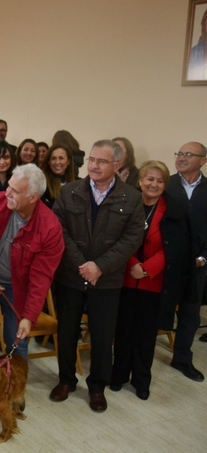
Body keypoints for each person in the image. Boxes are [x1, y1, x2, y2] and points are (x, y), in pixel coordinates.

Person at [51, 139, 144, 412]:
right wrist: (83, 264)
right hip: (71, 275)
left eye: (102, 161)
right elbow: (59, 231)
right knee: (67, 331)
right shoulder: (69, 192)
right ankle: (66, 380)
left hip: (107, 279)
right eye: (92, 159)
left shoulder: (132, 197)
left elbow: (131, 239)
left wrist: (100, 266)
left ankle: (97, 387)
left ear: (117, 165)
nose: (94, 165)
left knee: (103, 336)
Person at [0, 164, 64, 367]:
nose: (7, 193)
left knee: (17, 340)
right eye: (9, 186)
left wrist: (29, 316)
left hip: (18, 289)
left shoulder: (50, 228)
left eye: (15, 191)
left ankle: (14, 393)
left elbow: (41, 278)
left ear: (33, 197)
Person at [110, 161, 192, 400]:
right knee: (123, 330)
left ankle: (141, 380)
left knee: (146, 335)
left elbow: (176, 247)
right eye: (149, 179)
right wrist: (132, 263)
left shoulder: (174, 210)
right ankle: (119, 375)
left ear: (165, 184)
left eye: (159, 180)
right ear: (140, 181)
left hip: (154, 283)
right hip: (125, 280)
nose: (154, 184)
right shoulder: (128, 204)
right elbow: (117, 239)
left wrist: (146, 269)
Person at [166, 142, 207, 380]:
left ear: (202, 160)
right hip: (165, 264)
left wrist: (202, 259)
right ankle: (140, 361)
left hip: (197, 265)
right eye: (179, 153)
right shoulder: (166, 184)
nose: (181, 157)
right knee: (154, 311)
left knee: (190, 314)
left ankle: (182, 359)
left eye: (188, 154)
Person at [40, 143, 76, 209]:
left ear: (68, 161)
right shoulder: (42, 183)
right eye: (53, 158)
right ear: (48, 162)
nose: (57, 162)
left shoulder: (78, 183)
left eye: (61, 158)